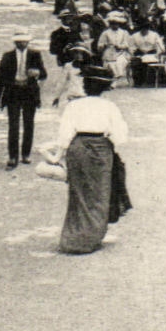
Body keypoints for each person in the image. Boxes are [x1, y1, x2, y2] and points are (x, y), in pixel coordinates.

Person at [52, 66, 131, 254]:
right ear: (103, 88)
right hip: (101, 149)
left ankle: (73, 238)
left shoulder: (74, 105)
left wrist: (57, 155)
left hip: (77, 148)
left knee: (78, 192)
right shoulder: (109, 107)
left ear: (85, 85)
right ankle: (92, 237)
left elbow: (64, 134)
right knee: (99, 194)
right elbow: (119, 135)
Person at [0, 31, 48, 171]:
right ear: (15, 43)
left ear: (28, 43)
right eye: (19, 42)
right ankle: (12, 156)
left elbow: (44, 74)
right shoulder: (8, 56)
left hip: (29, 93)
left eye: (25, 42)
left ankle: (26, 154)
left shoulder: (35, 55)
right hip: (13, 92)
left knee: (29, 124)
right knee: (13, 125)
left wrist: (37, 73)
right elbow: (1, 78)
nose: (22, 44)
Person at [128, 22, 166, 87]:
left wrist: (158, 53)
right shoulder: (134, 36)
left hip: (152, 53)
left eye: (145, 29)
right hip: (140, 54)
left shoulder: (154, 35)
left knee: (155, 63)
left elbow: (160, 45)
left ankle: (156, 82)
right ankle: (139, 83)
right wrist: (135, 52)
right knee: (136, 63)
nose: (144, 31)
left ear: (148, 29)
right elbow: (131, 46)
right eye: (142, 29)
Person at [96, 12, 134, 80]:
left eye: (116, 23)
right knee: (110, 64)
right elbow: (100, 44)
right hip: (109, 52)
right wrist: (103, 45)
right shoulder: (105, 33)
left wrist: (120, 46)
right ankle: (112, 78)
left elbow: (127, 44)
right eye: (112, 23)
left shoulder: (124, 32)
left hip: (121, 53)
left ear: (119, 24)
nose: (114, 25)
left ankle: (117, 77)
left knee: (120, 61)